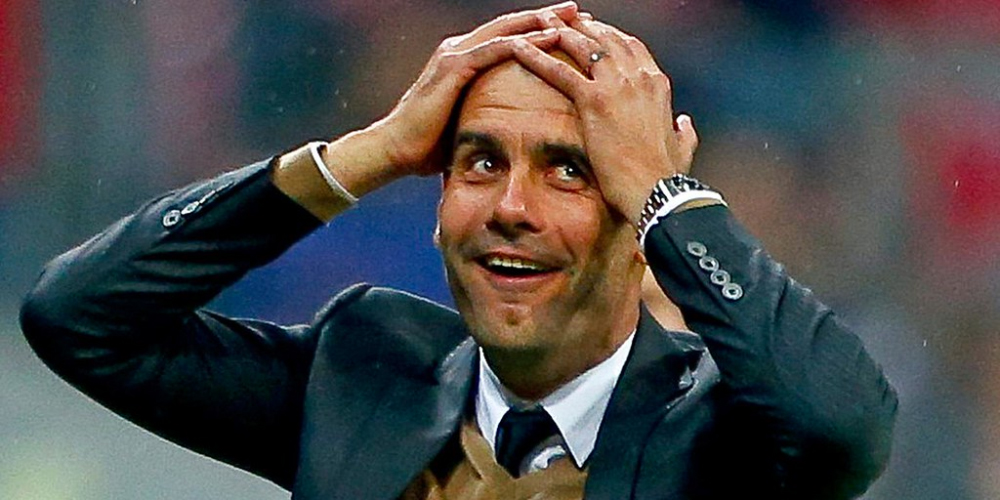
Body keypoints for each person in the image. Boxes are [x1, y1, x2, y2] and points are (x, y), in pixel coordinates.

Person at [19, 3, 897, 499]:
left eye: (570, 171)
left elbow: (843, 423)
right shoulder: (361, 376)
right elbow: (80, 316)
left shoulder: (718, 433)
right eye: (480, 163)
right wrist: (367, 153)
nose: (511, 208)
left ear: (639, 217)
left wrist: (667, 196)